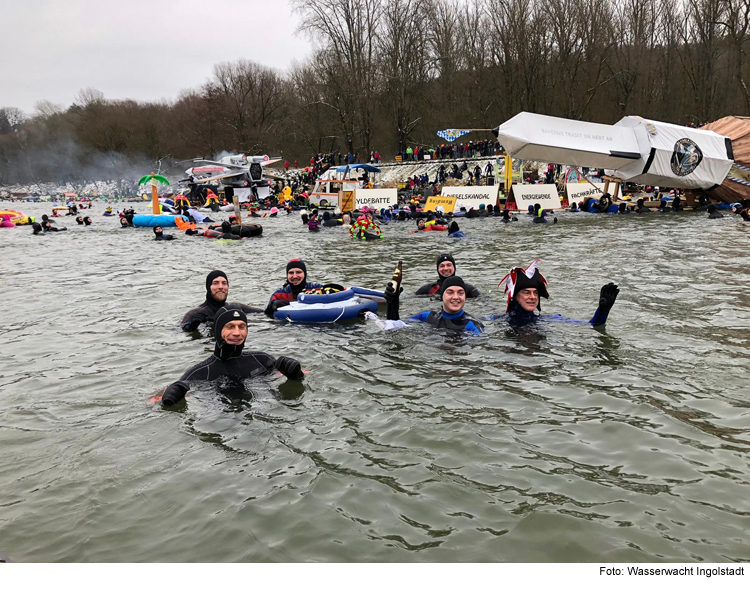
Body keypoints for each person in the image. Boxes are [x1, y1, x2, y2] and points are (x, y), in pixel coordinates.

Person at [161, 307, 304, 407]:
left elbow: (290, 378)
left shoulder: (262, 360)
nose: (237, 333)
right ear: (218, 331)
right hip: (222, 425)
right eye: (230, 327)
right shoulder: (199, 372)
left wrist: (296, 375)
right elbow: (153, 401)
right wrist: (167, 398)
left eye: (241, 327)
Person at [490, 260, 618, 327]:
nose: (533, 297)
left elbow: (591, 326)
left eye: (535, 293)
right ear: (515, 297)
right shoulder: (497, 321)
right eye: (526, 292)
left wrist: (603, 311)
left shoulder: (550, 320)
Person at [371, 265, 484, 334]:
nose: (455, 297)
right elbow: (395, 327)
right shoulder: (428, 316)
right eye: (450, 292)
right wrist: (393, 304)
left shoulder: (472, 325)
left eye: (460, 293)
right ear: (442, 296)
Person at [181, 270, 262, 332]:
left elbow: (264, 313)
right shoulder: (196, 313)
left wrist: (271, 307)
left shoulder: (236, 307)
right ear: (208, 287)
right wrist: (192, 327)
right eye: (216, 283)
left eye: (224, 283)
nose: (220, 287)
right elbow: (178, 331)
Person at [415, 253, 481, 298]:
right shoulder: (428, 289)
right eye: (442, 266)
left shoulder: (468, 289)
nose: (446, 268)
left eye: (449, 265)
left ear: (454, 268)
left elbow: (484, 301)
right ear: (438, 269)